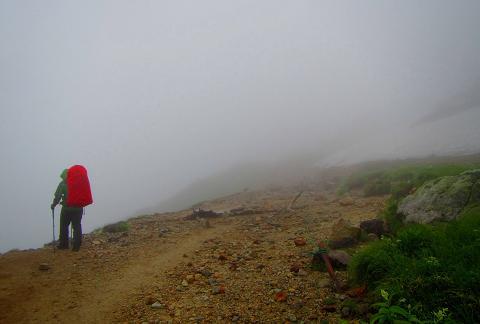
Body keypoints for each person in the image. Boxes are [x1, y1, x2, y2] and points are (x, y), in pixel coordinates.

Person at [51, 169, 84, 251]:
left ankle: (64, 244)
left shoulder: (62, 184)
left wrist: (53, 205)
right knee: (77, 226)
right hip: (78, 208)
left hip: (67, 208)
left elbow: (58, 196)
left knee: (64, 226)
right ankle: (77, 245)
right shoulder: (78, 183)